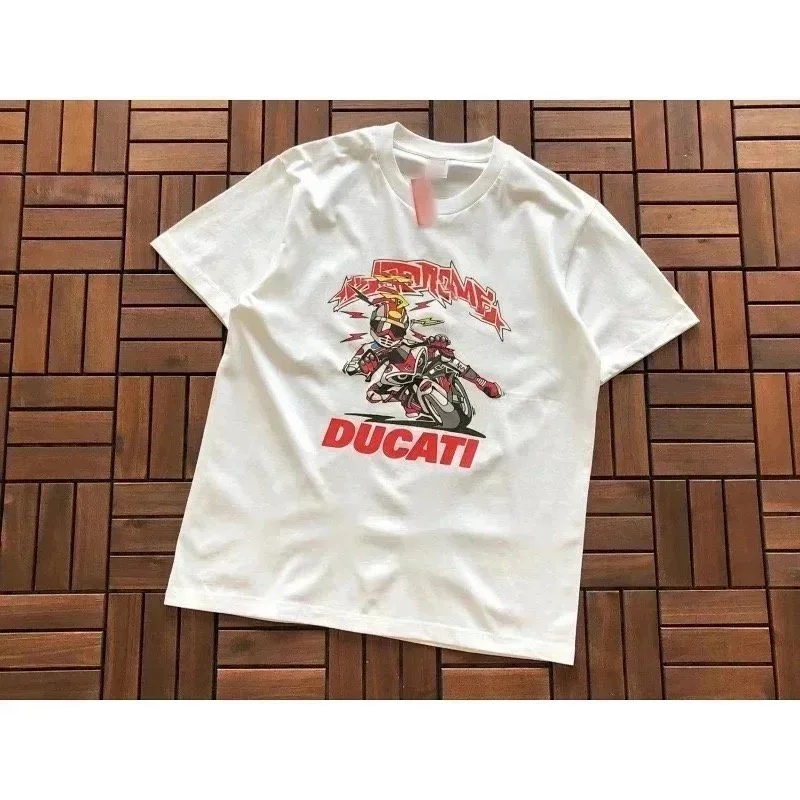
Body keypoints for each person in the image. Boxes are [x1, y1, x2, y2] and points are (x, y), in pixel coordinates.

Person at [343, 294, 502, 419]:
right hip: (395, 377)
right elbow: (350, 368)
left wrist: (435, 342)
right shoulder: (367, 349)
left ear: (403, 331)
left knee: (443, 355)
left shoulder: (407, 341)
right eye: (382, 327)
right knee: (372, 395)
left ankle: (481, 382)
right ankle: (408, 402)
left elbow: (425, 344)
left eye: (395, 330)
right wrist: (364, 368)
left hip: (419, 368)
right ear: (373, 325)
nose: (388, 335)